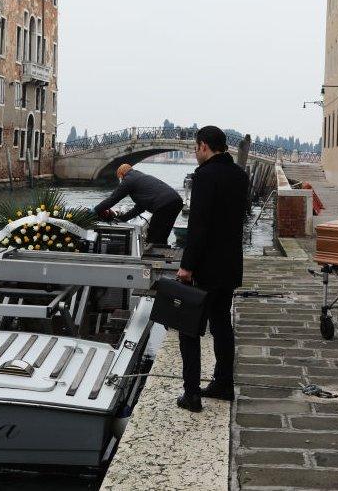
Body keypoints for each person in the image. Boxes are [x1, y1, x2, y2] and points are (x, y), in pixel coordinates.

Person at [175, 126, 250, 412]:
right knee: (221, 323)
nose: (196, 153)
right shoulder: (240, 176)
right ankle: (223, 383)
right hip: (230, 263)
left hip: (205, 266)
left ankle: (191, 394)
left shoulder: (204, 176)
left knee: (189, 328)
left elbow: (199, 225)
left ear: (204, 146)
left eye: (196, 148)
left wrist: (187, 266)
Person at [93, 163, 183, 245]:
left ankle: (153, 259)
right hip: (176, 201)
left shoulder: (128, 180)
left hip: (164, 204)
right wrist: (122, 219)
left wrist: (95, 210)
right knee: (162, 234)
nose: (121, 181)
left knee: (153, 235)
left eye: (120, 178)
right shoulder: (140, 177)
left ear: (121, 175)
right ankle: (162, 254)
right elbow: (139, 208)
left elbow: (112, 199)